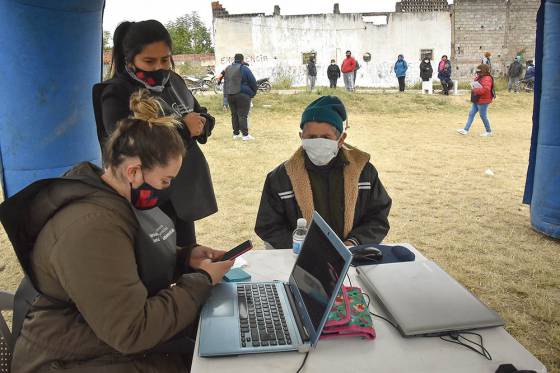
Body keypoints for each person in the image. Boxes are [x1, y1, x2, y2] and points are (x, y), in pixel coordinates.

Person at [2, 90, 234, 372]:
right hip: (67, 359)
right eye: (165, 180)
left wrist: (185, 258)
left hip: (96, 342)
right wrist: (201, 281)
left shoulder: (113, 195)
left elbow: (123, 260)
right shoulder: (91, 227)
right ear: (134, 172)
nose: (167, 189)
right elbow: (133, 331)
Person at [94, 20, 217, 249]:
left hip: (180, 191)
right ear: (130, 60)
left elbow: (198, 112)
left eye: (165, 59)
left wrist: (203, 123)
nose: (159, 67)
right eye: (149, 61)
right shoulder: (116, 92)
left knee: (187, 253)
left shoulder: (174, 83)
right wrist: (183, 128)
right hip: (145, 194)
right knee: (155, 258)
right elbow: (124, 144)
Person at [255, 96, 392, 249]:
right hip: (300, 258)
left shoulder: (364, 173)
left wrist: (353, 243)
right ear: (301, 137)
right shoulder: (281, 178)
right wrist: (303, 246)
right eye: (311, 137)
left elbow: (377, 217)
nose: (318, 142)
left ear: (341, 139)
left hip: (352, 256)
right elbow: (268, 226)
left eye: (326, 137)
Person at [224, 53, 258, 140]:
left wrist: (225, 100)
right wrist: (252, 93)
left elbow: (225, 84)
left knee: (234, 115)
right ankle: (245, 135)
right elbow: (253, 82)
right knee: (242, 115)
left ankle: (236, 134)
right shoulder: (244, 69)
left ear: (234, 59)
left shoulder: (228, 69)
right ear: (242, 60)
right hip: (242, 94)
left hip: (230, 95)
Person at [456, 64, 494, 137]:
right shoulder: (480, 76)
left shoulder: (487, 78)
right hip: (477, 99)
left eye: (479, 71)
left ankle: (489, 131)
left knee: (483, 116)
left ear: (484, 70)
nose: (478, 72)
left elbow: (486, 89)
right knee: (471, 113)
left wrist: (475, 90)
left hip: (483, 100)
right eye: (477, 71)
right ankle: (465, 130)